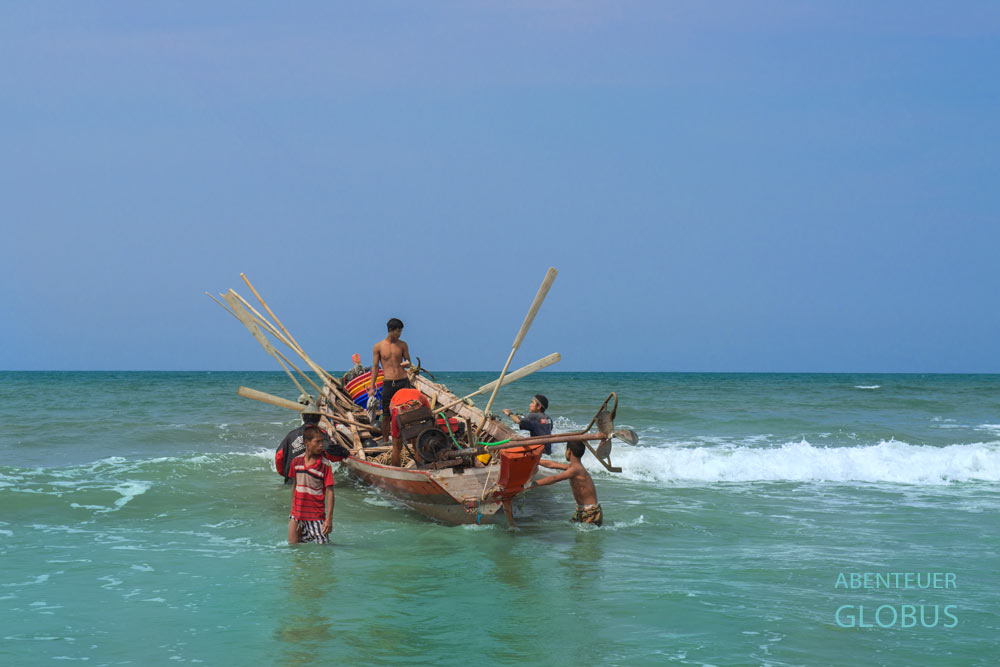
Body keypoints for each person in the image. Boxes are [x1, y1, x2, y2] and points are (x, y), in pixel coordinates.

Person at [527, 441, 603, 527]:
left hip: (591, 512)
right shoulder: (573, 467)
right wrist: (536, 461)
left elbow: (554, 478)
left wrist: (533, 484)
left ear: (569, 451)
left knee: (587, 538)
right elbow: (552, 464)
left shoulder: (575, 469)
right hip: (583, 510)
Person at [275, 405, 347, 484]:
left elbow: (279, 456)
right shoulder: (320, 434)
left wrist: (285, 474)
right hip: (311, 482)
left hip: (291, 482)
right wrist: (345, 453)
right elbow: (329, 450)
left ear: (303, 417)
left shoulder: (291, 435)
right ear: (319, 418)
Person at [288, 425, 336, 544]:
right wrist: (293, 510)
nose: (321, 445)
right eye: (317, 442)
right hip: (297, 516)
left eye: (322, 442)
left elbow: (330, 492)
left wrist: (329, 519)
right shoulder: (296, 462)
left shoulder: (325, 465)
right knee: (294, 551)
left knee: (323, 555)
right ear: (307, 443)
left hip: (316, 518)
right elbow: (295, 485)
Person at [368, 318, 411, 445]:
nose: (399, 334)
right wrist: (371, 387)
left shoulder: (403, 345)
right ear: (390, 330)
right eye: (397, 331)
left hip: (403, 381)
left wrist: (406, 364)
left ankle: (407, 438)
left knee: (406, 412)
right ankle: (386, 441)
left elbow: (408, 362)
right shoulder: (378, 347)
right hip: (388, 383)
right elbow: (375, 367)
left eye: (401, 332)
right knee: (386, 414)